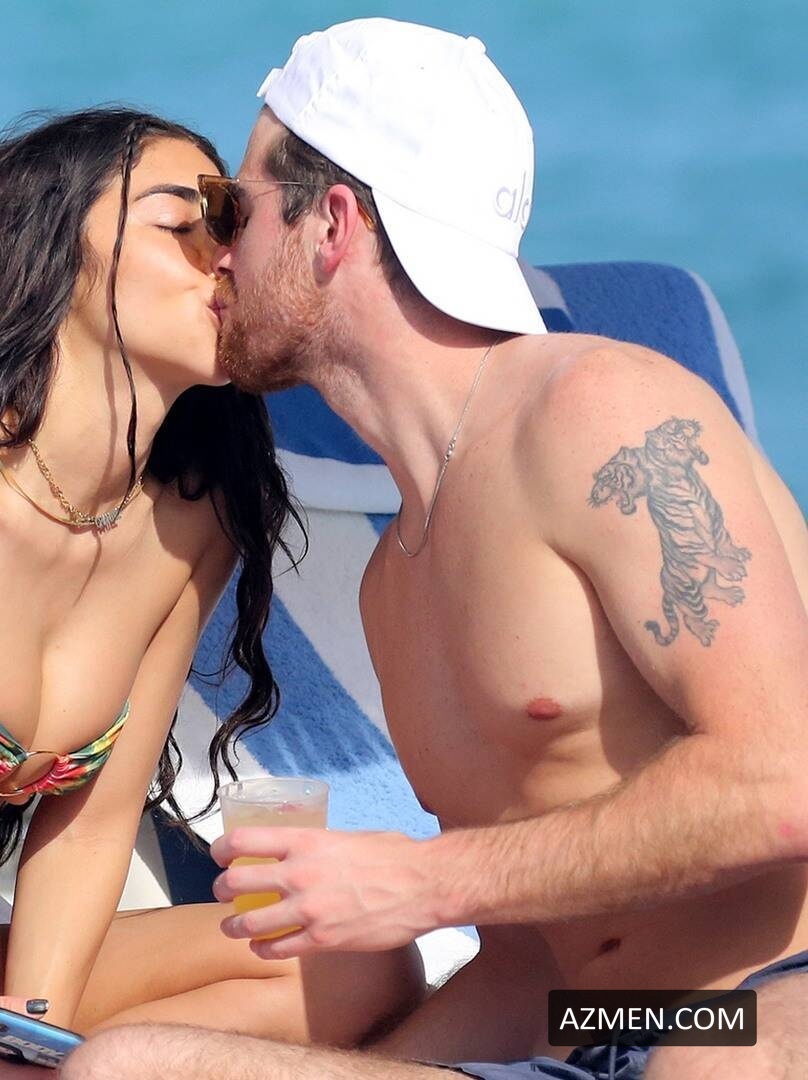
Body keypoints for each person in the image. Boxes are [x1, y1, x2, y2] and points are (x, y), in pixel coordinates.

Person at [58, 20, 808, 1080]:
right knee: (128, 1067)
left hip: (752, 1008)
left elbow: (786, 778)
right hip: (583, 1039)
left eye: (235, 209)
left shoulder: (600, 415)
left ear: (332, 224)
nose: (217, 252)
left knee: (705, 1065)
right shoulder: (396, 580)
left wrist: (420, 884)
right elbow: (526, 969)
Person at [0, 108, 420, 1079]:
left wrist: (28, 1038)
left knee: (350, 963)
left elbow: (90, 825)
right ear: (56, 250)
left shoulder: (187, 528)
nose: (228, 259)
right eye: (189, 225)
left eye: (236, 230)